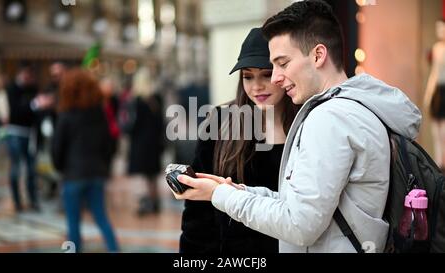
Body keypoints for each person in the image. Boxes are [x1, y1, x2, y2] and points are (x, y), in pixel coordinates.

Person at [173, 0, 422, 253]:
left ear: (318, 55)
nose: (276, 77)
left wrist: (220, 195)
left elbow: (300, 224)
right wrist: (230, 190)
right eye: (249, 76)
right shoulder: (353, 106)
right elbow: (300, 207)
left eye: (282, 63)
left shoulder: (329, 118)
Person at [180, 28, 298, 254]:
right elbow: (198, 215)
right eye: (248, 76)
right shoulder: (220, 122)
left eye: (266, 73)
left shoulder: (308, 124)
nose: (257, 86)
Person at [52, 68, 119, 253]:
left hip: (73, 174)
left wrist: (60, 167)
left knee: (73, 222)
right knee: (101, 217)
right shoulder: (99, 113)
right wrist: (104, 166)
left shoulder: (66, 115)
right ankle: (114, 250)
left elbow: (57, 148)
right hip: (97, 172)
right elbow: (108, 144)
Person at [5, 64, 54, 212]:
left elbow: (34, 113)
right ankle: (17, 201)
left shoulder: (33, 89)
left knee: (32, 170)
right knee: (16, 169)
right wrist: (35, 104)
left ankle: (33, 200)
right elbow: (16, 112)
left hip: (30, 134)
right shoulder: (12, 88)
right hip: (15, 133)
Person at [126, 67, 165, 215]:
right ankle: (155, 202)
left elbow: (133, 124)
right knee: (152, 175)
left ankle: (145, 202)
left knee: (142, 175)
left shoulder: (137, 100)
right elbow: (161, 122)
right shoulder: (157, 98)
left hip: (140, 144)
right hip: (155, 143)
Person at [424, 19, 445, 170]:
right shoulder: (437, 48)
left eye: (442, 28)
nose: (440, 31)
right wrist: (428, 93)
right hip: (438, 91)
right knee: (436, 130)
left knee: (444, 130)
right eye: (438, 28)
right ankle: (439, 164)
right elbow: (434, 73)